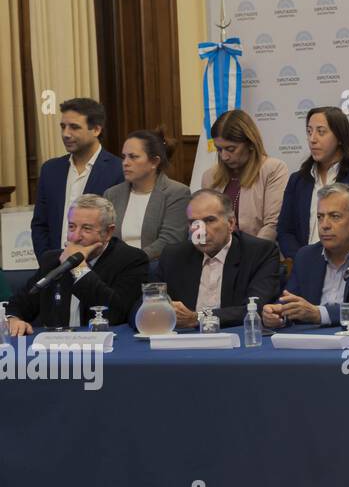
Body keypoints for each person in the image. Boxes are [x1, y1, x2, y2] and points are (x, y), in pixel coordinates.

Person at [6, 195, 149, 335]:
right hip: (57, 350)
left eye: (86, 229)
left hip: (106, 350)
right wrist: (14, 319)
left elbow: (116, 315)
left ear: (108, 232)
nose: (75, 236)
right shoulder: (53, 260)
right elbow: (20, 303)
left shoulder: (131, 260)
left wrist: (79, 268)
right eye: (72, 227)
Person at [263, 184, 349, 328]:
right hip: (312, 342)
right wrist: (277, 314)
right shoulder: (306, 256)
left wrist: (319, 314)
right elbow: (289, 301)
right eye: (320, 217)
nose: (324, 225)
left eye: (335, 216)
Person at [151, 189, 282, 329]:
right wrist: (161, 311)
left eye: (209, 220)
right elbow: (143, 304)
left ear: (231, 223)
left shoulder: (259, 252)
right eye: (194, 222)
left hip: (235, 337)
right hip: (184, 339)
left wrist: (198, 318)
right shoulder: (174, 255)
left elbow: (256, 308)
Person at [277, 107, 349, 257]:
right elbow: (285, 231)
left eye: (321, 132)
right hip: (301, 267)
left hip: (346, 266)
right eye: (309, 131)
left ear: (339, 137)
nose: (312, 139)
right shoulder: (297, 180)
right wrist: (302, 259)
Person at [29, 97, 124, 256]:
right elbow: (40, 225)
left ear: (96, 130)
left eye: (74, 127)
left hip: (98, 269)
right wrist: (49, 262)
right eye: (63, 126)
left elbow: (115, 228)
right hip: (55, 268)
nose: (66, 134)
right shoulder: (50, 170)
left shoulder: (117, 170)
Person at [202, 108, 290, 242]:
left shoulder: (273, 169)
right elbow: (205, 223)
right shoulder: (210, 176)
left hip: (258, 255)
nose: (224, 156)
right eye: (219, 149)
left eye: (231, 149)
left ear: (250, 143)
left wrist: (250, 256)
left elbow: (272, 224)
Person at [104, 129, 191, 261]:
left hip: (155, 270)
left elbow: (169, 240)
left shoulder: (177, 193)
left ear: (154, 162)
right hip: (117, 271)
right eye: (124, 157)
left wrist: (131, 262)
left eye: (133, 157)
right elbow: (104, 236)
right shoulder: (112, 194)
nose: (125, 163)